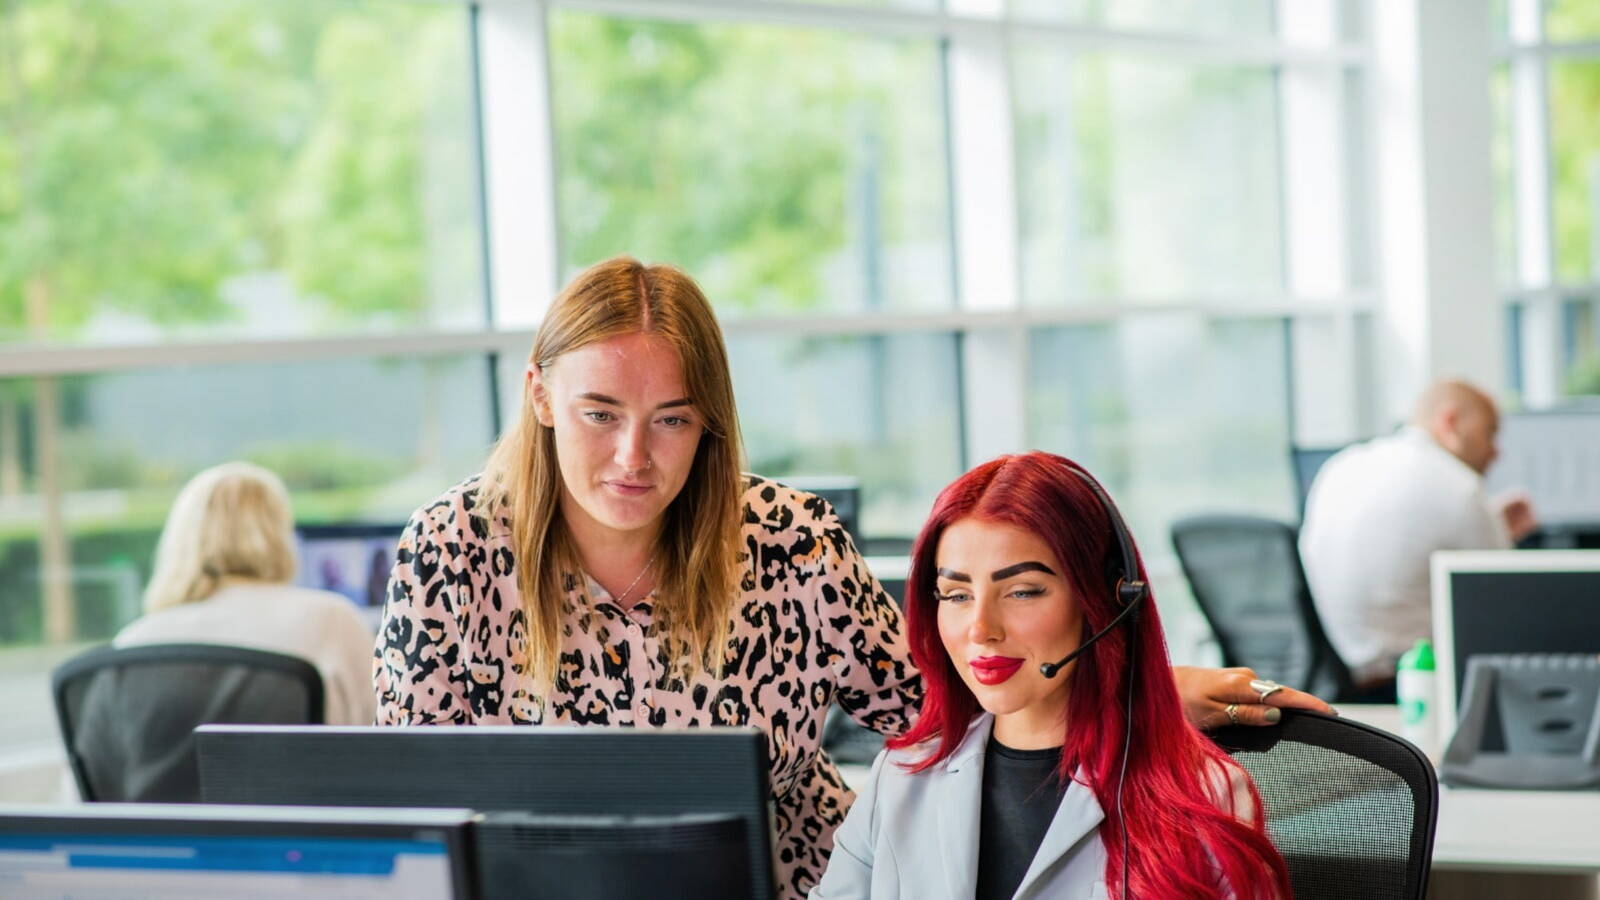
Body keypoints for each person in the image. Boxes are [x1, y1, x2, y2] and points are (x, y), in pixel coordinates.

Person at [375, 256, 1328, 899]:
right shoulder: (451, 555)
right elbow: (414, 815)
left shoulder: (785, 540)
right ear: (539, 393)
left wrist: (1135, 684)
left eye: (671, 418)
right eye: (599, 412)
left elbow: (943, 696)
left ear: (708, 420)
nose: (635, 456)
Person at [811, 453, 1290, 899]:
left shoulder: (1202, 792)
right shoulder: (901, 778)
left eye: (1022, 592)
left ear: (1106, 600)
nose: (981, 629)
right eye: (956, 595)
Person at [1300, 378, 1539, 687]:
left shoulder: (1344, 464)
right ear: (1450, 421)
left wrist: (1492, 520)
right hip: (1417, 678)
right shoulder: (1460, 486)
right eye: (1489, 433)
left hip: (1342, 672)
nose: (1495, 452)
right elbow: (1505, 598)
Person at [115, 461, 377, 726]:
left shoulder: (132, 645)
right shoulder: (332, 620)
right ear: (279, 534)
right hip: (293, 768)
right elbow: (383, 736)